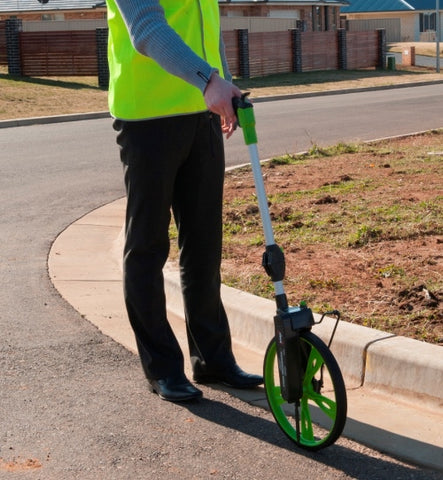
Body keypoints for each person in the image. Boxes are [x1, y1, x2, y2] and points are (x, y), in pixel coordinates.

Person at [106, 0, 263, 402]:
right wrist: (209, 80)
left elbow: (205, 30)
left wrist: (223, 85)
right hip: (147, 118)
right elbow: (146, 30)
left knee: (204, 245)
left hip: (202, 114)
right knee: (147, 245)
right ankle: (162, 368)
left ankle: (213, 359)